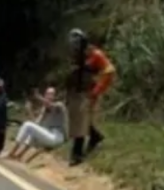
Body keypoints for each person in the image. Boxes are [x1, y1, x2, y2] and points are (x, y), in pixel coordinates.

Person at [67, 28, 116, 166]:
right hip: (77, 92)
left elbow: (109, 70)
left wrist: (97, 90)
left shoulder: (95, 54)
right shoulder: (77, 56)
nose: (74, 46)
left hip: (89, 92)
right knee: (80, 119)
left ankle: (77, 154)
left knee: (81, 120)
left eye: (76, 43)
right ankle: (95, 137)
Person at [7, 87, 68, 161]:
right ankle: (19, 156)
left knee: (27, 125)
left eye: (52, 94)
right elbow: (36, 124)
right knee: (30, 128)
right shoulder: (44, 109)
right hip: (49, 134)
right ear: (45, 95)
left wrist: (38, 96)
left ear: (55, 96)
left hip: (57, 137)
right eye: (48, 94)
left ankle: (11, 153)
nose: (49, 96)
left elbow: (50, 105)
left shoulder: (60, 105)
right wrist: (29, 110)